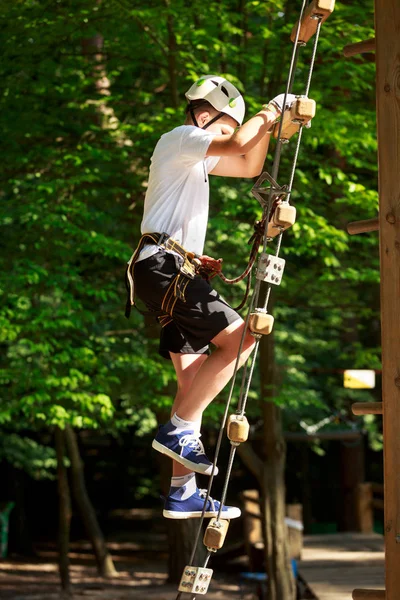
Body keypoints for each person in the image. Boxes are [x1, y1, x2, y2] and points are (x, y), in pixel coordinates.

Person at [127, 75, 295, 520]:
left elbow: (247, 163)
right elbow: (240, 141)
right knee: (241, 340)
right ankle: (180, 430)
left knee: (193, 380)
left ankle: (181, 490)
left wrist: (265, 129)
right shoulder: (181, 139)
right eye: (221, 126)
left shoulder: (194, 161)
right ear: (204, 116)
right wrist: (271, 111)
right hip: (165, 267)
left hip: (163, 269)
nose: (223, 136)